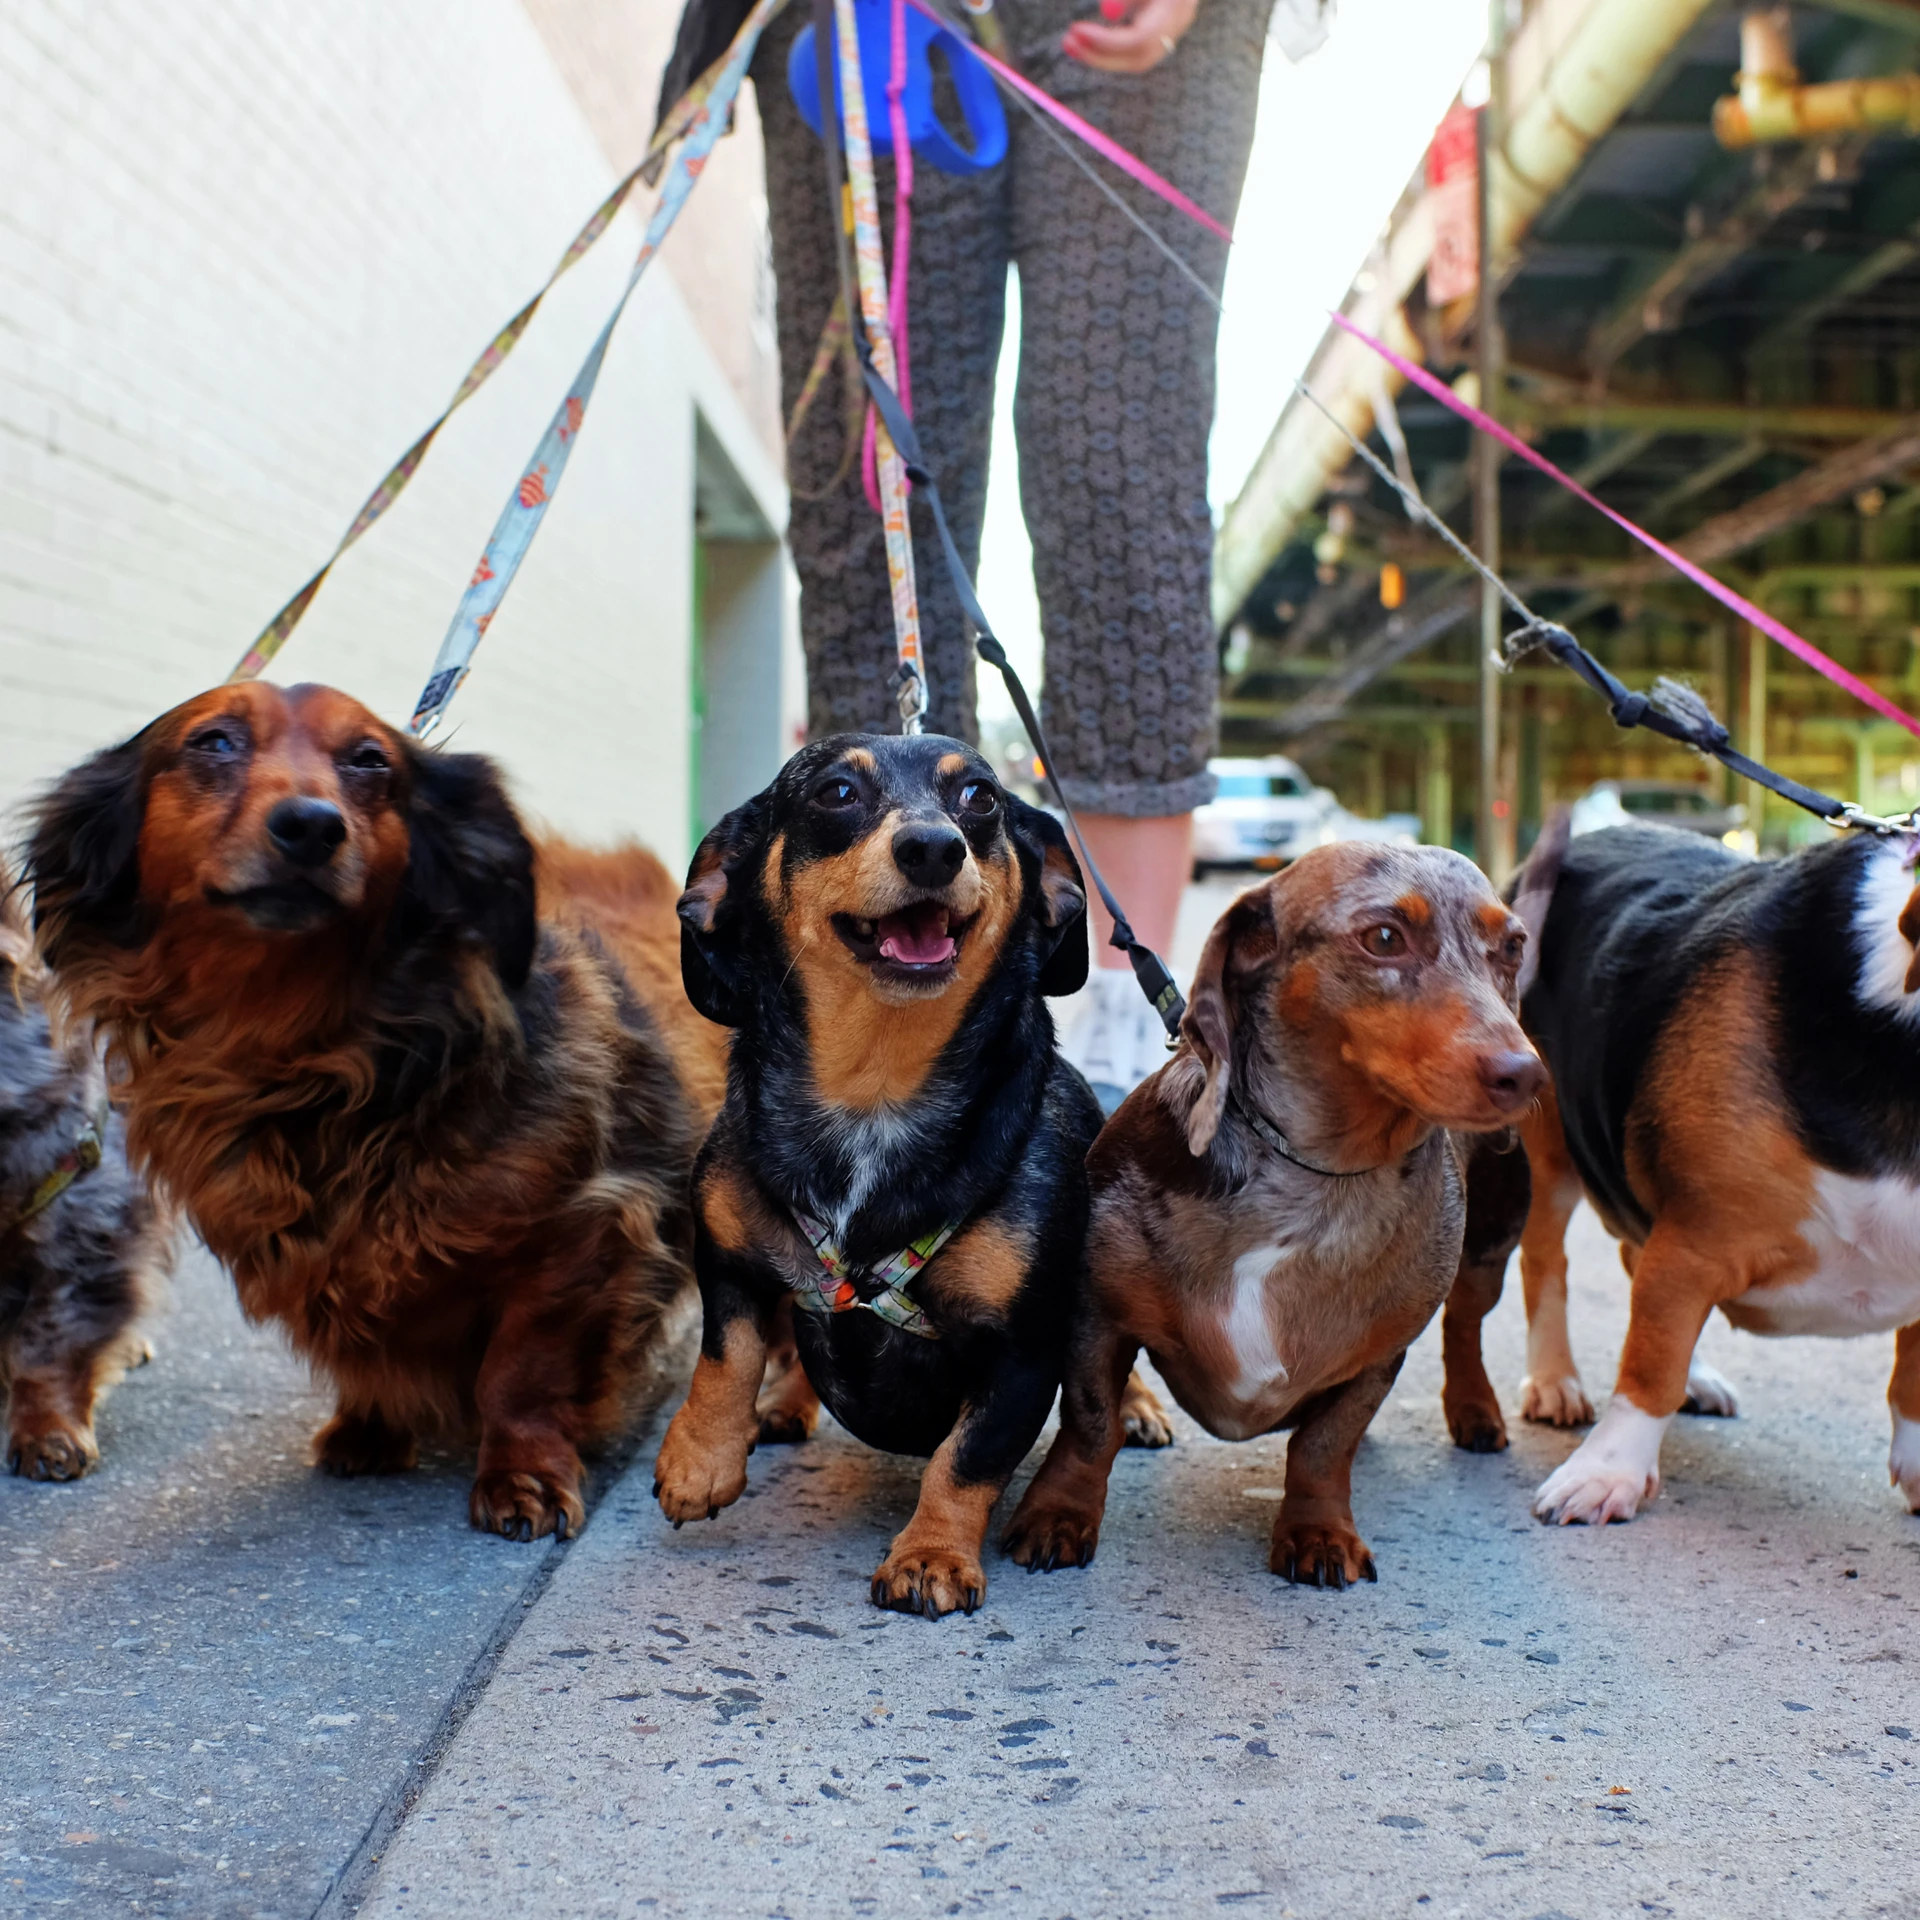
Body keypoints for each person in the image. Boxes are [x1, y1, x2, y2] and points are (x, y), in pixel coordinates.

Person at [658, 0, 1268, 1105]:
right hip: (865, 24)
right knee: (869, 471)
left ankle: (1130, 1024)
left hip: (1132, 33)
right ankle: (884, 1016)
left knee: (1116, 463)